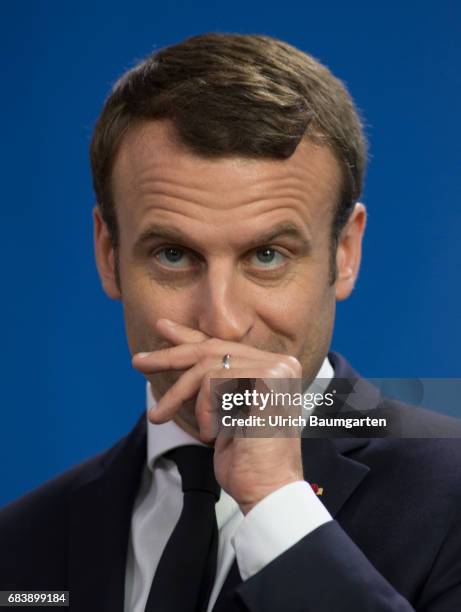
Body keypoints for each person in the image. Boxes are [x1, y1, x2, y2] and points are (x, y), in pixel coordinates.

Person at [1, 32, 461, 612]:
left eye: (267, 256)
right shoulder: (17, 547)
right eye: (172, 254)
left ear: (345, 253)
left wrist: (277, 505)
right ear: (108, 254)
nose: (223, 320)